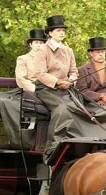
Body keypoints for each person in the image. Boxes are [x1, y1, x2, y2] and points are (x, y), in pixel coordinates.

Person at [34, 15, 81, 164]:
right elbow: (40, 74)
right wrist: (58, 82)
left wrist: (71, 81)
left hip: (66, 88)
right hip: (47, 88)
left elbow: (74, 71)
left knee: (78, 107)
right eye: (58, 30)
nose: (62, 33)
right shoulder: (42, 50)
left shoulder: (68, 50)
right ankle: (53, 147)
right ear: (50, 33)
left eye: (63, 30)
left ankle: (73, 144)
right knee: (62, 109)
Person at [15, 28, 46, 93]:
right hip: (32, 89)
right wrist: (33, 88)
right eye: (36, 43)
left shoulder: (47, 59)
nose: (39, 45)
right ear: (30, 45)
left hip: (47, 88)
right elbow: (20, 78)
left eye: (41, 43)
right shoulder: (23, 59)